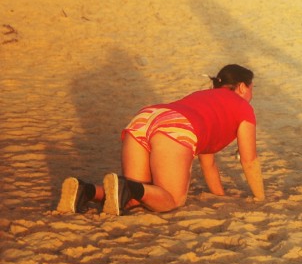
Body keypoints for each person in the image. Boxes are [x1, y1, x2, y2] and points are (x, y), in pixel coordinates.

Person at [56, 65, 264, 216]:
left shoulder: (204, 97)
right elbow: (249, 160)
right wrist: (260, 198)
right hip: (175, 127)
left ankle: (85, 190)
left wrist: (220, 196)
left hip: (146, 117)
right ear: (243, 87)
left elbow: (208, 163)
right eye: (252, 88)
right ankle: (124, 187)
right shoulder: (243, 106)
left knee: (137, 197)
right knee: (171, 200)